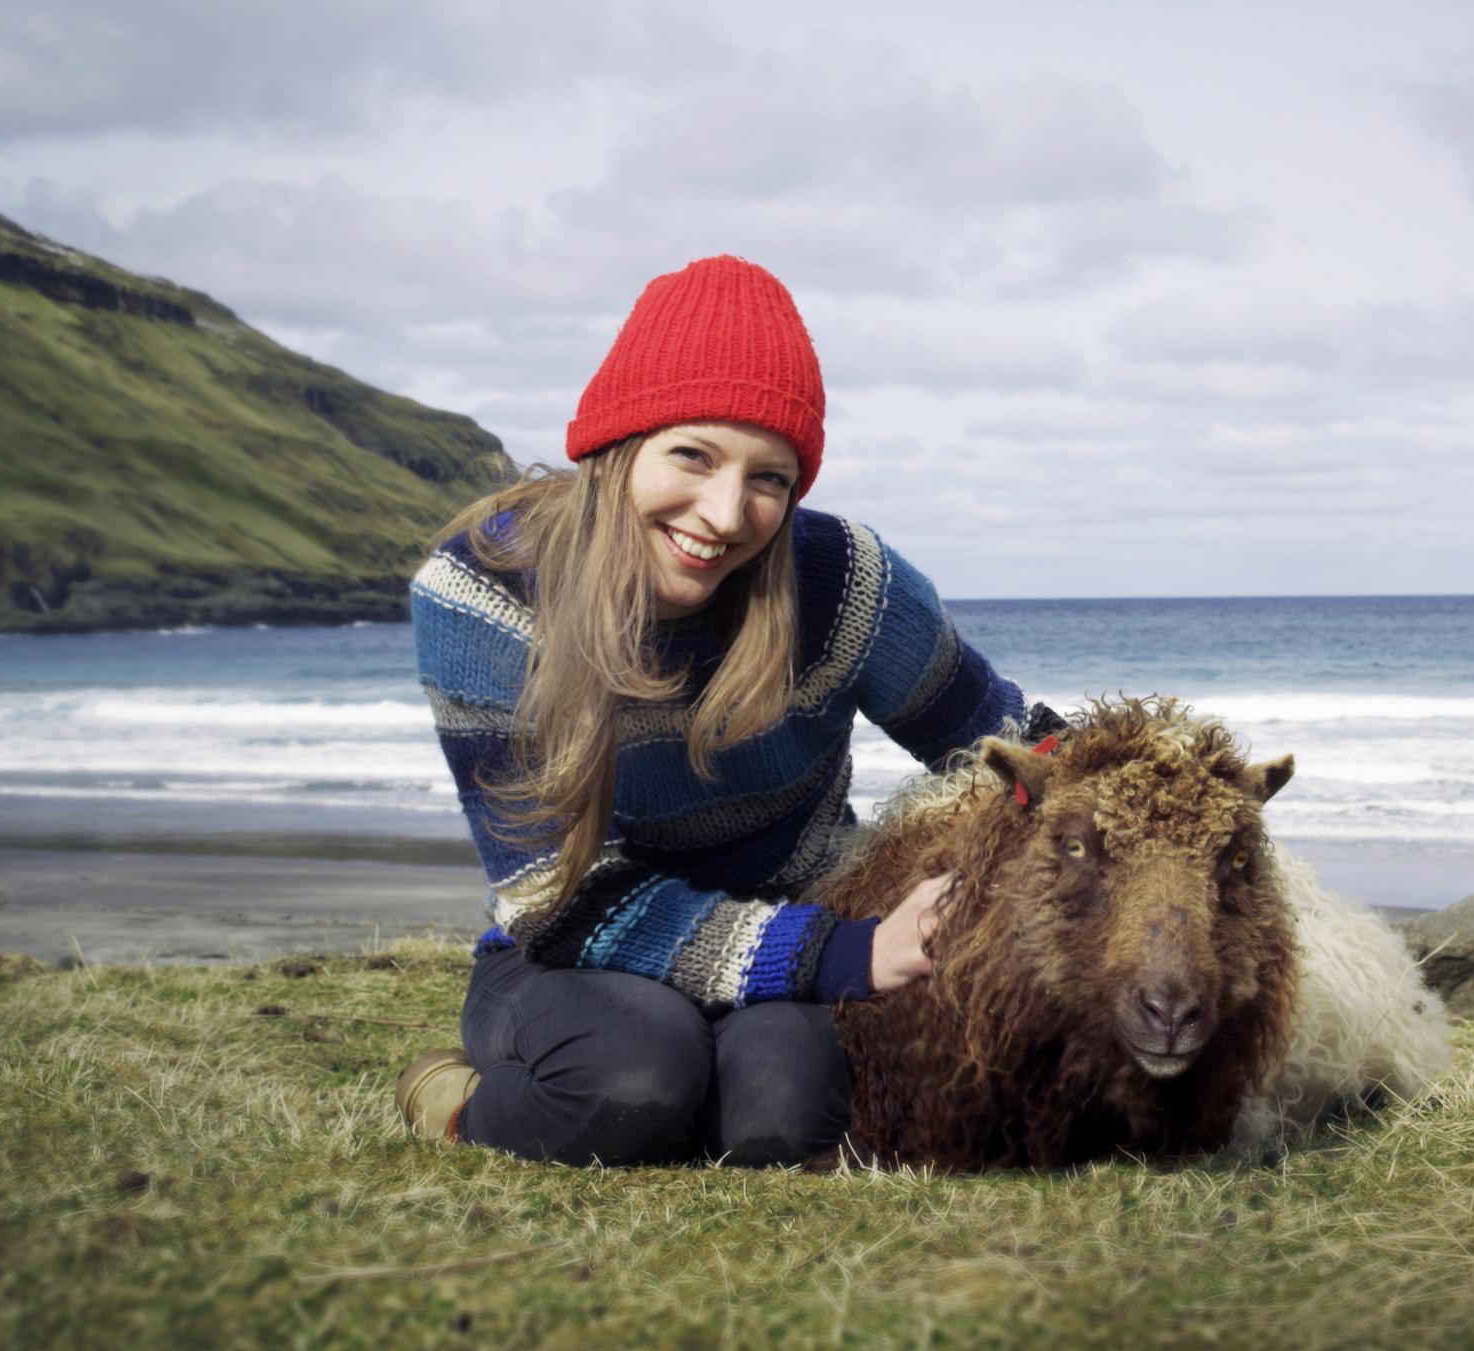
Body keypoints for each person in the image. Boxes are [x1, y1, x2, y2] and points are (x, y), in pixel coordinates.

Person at [393, 254, 1035, 1167]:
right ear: (616, 447)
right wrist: (854, 956)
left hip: (790, 920)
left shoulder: (843, 580)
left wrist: (1160, 793)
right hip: (576, 951)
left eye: (769, 478)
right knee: (636, 1080)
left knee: (781, 1121)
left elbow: (1004, 747)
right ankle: (452, 1100)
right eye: (692, 455)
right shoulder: (487, 591)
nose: (726, 514)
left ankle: (712, 1085)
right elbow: (557, 899)